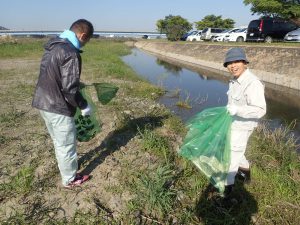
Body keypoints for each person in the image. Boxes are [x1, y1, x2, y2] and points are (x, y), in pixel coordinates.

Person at [32, 19, 94, 188]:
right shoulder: (71, 52)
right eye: (86, 41)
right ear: (82, 35)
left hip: (43, 102)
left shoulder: (54, 45)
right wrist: (83, 105)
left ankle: (66, 167)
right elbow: (70, 89)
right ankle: (70, 179)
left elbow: (53, 75)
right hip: (57, 106)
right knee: (66, 144)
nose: (84, 45)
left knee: (58, 141)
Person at [223, 47, 266, 197]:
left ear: (244, 63)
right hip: (233, 123)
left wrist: (237, 110)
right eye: (229, 63)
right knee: (237, 151)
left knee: (231, 157)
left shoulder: (252, 83)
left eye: (236, 62)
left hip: (243, 126)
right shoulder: (234, 80)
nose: (232, 66)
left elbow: (260, 110)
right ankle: (247, 175)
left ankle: (227, 190)